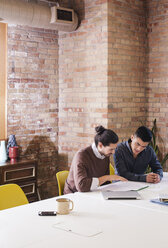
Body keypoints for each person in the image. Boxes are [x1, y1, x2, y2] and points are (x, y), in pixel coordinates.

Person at [64, 126, 127, 194]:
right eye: (111, 149)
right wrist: (106, 178)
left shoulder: (105, 155)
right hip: (74, 195)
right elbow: (81, 186)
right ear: (100, 145)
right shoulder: (82, 156)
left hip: (93, 192)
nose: (113, 152)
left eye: (115, 149)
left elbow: (105, 183)